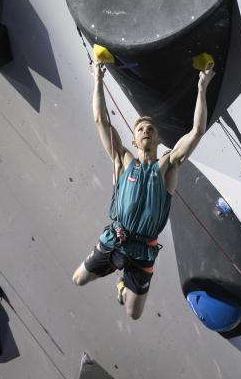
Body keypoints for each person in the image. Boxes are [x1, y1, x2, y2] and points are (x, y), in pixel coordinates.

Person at [72, 61, 215, 320]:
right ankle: (116, 270)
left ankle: (122, 284)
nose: (145, 131)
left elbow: (197, 131)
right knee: (78, 279)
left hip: (144, 251)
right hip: (115, 240)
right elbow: (100, 120)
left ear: (158, 139)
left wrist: (202, 88)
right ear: (134, 140)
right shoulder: (122, 161)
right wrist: (97, 80)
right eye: (140, 129)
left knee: (133, 313)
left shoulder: (169, 165)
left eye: (151, 129)